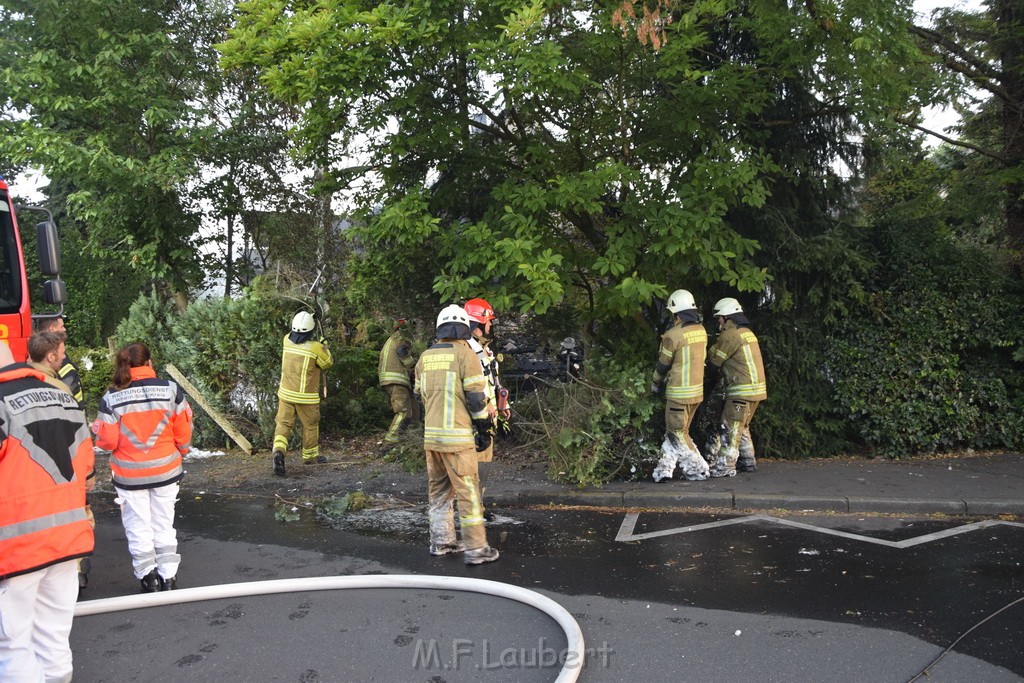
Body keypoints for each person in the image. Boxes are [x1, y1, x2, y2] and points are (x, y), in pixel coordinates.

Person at [0, 341, 94, 681]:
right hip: (67, 541)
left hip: (16, 549)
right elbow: (86, 464)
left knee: (13, 647)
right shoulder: (64, 397)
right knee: (54, 637)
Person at [92, 342, 192, 592]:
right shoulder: (171, 390)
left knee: (138, 526)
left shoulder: (111, 397)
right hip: (166, 471)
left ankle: (148, 578)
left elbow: (106, 442)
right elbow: (184, 432)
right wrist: (179, 453)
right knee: (164, 524)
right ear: (149, 362)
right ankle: (168, 578)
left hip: (129, 475)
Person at [414, 305, 499, 565]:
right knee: (468, 491)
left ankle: (441, 542)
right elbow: (476, 399)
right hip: (458, 438)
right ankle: (476, 549)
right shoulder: (466, 354)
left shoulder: (425, 357)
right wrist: (484, 429)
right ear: (463, 328)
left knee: (439, 492)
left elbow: (419, 398)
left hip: (432, 439)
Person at [28, 330, 97, 592]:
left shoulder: (12, 387)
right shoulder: (60, 390)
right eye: (62, 352)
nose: (65, 357)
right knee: (74, 520)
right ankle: (75, 572)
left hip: (32, 472)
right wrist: (88, 472)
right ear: (50, 355)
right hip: (63, 469)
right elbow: (77, 434)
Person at [649, 289, 711, 482]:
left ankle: (698, 469)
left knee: (677, 433)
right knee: (677, 432)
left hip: (678, 394)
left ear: (676, 313)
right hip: (696, 393)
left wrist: (655, 384)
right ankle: (664, 470)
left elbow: (663, 365)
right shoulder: (701, 331)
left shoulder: (672, 335)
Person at [705, 297, 767, 477]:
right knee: (742, 425)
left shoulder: (729, 335)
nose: (718, 322)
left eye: (719, 318)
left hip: (740, 390)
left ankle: (725, 466)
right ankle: (747, 462)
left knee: (729, 427)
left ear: (726, 317)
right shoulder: (747, 332)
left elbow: (715, 363)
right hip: (756, 390)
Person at [272, 311, 333, 476]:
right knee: (310, 425)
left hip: (285, 393)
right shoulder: (315, 348)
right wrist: (324, 346)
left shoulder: (286, 340)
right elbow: (327, 363)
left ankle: (278, 451)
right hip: (306, 396)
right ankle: (310, 457)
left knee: (283, 424)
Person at [463, 298, 510, 479]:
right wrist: (486, 405)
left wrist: (502, 404)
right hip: (477, 419)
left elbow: (491, 380)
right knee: (476, 468)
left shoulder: (483, 349)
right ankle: (474, 503)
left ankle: (476, 501)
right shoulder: (468, 350)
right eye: (488, 321)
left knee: (483, 462)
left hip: (488, 415)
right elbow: (472, 386)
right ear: (477, 323)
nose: (490, 324)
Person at [378, 318, 419, 450]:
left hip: (390, 380)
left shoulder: (391, 339)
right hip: (397, 380)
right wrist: (414, 367)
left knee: (411, 411)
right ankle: (389, 444)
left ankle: (409, 442)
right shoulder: (401, 339)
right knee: (403, 413)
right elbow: (402, 352)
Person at [33, 315, 83, 403]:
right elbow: (73, 401)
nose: (64, 329)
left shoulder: (31, 355)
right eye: (62, 326)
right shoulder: (64, 367)